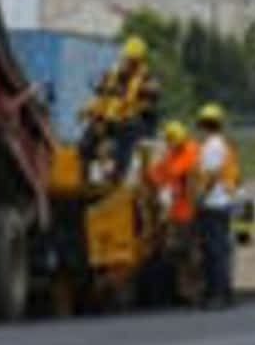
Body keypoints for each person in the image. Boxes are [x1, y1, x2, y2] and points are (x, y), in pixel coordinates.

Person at [84, 36, 159, 180]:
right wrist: (96, 115)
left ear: (139, 60)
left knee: (127, 131)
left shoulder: (148, 78)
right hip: (114, 118)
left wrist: (132, 103)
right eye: (127, 58)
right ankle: (87, 174)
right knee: (89, 138)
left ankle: (118, 175)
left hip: (136, 123)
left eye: (133, 60)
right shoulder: (114, 74)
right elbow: (101, 92)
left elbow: (150, 102)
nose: (128, 62)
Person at [189, 102, 240, 309]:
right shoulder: (223, 144)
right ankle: (224, 292)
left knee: (213, 252)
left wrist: (199, 199)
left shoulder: (211, 147)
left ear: (204, 124)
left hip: (213, 203)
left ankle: (216, 295)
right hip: (223, 201)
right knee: (221, 250)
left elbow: (209, 177)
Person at [146, 119, 201, 302]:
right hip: (177, 212)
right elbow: (157, 175)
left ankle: (195, 289)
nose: (171, 146)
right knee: (177, 252)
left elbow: (191, 182)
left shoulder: (191, 153)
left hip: (190, 213)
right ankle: (184, 291)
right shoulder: (171, 154)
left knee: (192, 253)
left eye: (172, 142)